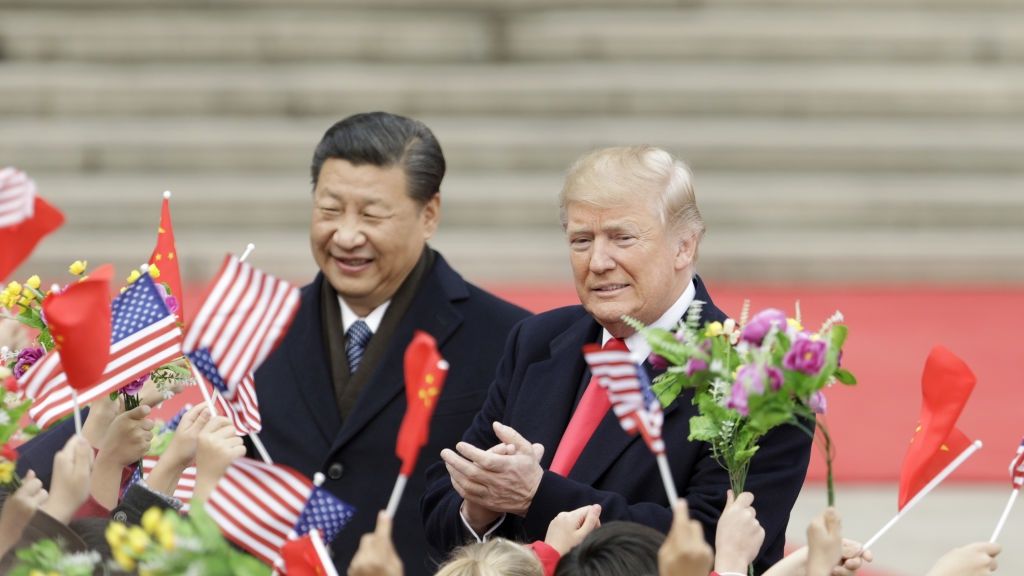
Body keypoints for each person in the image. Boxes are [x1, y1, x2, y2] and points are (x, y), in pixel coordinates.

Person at [421, 146, 811, 573]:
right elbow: (441, 503)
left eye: (622, 238)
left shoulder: (757, 379)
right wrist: (479, 510)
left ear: (684, 246)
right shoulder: (537, 340)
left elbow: (710, 545)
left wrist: (538, 495)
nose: (598, 262)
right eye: (581, 241)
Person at [253, 111, 529, 574]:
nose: (346, 236)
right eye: (329, 210)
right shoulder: (258, 327)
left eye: (371, 214)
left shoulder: (509, 339)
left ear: (429, 214)